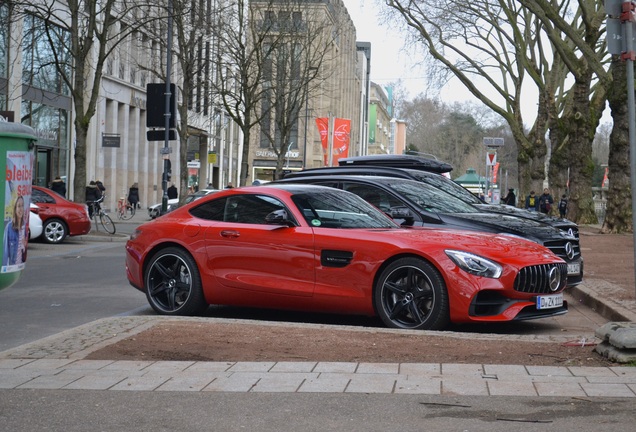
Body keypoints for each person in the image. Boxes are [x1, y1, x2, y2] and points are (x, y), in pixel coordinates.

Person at [2, 195, 27, 267]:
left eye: (22, 205)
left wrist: (24, 244)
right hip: (12, 265)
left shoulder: (24, 225)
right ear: (15, 208)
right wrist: (5, 268)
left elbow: (23, 251)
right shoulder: (9, 227)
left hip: (20, 265)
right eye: (19, 206)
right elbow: (5, 252)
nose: (21, 209)